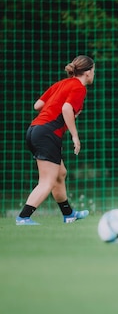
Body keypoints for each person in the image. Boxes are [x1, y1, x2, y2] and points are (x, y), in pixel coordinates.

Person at [16, 55, 95, 225]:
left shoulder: (62, 83)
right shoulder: (80, 88)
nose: (93, 74)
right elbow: (67, 108)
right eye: (93, 71)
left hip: (34, 130)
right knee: (47, 181)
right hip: (47, 133)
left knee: (60, 174)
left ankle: (69, 214)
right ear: (88, 72)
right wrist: (75, 135)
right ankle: (23, 217)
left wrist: (55, 106)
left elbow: (38, 105)